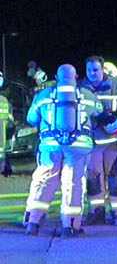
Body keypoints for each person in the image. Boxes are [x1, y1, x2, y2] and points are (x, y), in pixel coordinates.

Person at [23, 65, 102, 237]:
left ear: (56, 77)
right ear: (76, 77)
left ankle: (33, 223)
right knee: (73, 184)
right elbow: (100, 115)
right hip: (79, 147)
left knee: (44, 182)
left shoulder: (43, 95)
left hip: (50, 146)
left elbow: (31, 119)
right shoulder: (88, 96)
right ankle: (70, 226)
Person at [79, 55, 117, 225]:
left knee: (116, 180)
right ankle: (96, 213)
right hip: (92, 144)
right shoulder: (81, 88)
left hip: (114, 143)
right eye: (89, 70)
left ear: (103, 69)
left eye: (95, 69)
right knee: (93, 181)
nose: (92, 73)